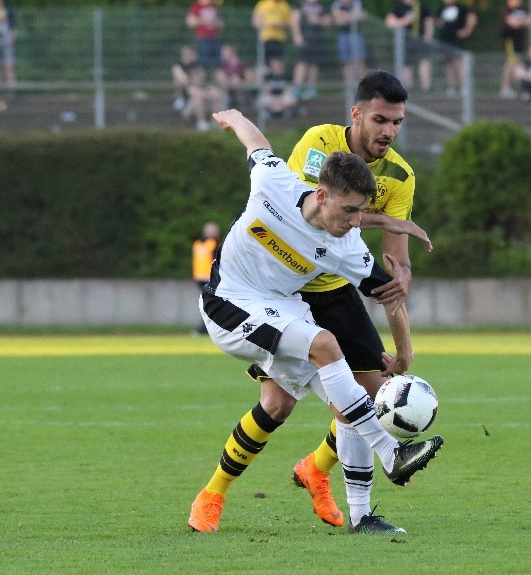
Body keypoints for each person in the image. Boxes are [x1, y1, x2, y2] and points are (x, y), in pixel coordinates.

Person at [187, 108, 444, 534]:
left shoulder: (347, 248)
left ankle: (361, 517)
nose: (355, 223)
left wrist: (405, 351)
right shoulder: (273, 183)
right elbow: (257, 144)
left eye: (362, 212)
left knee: (349, 400)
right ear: (321, 196)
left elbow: (390, 297)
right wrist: (234, 117)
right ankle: (390, 452)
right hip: (228, 303)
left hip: (281, 306)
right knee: (325, 346)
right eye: (349, 212)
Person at [385, 0, 434, 93]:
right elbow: (389, 22)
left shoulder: (421, 6)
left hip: (420, 40)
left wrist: (428, 37)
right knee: (407, 65)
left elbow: (429, 22)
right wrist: (402, 22)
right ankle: (408, 89)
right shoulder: (399, 8)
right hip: (405, 41)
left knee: (424, 62)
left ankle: (426, 89)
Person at [172, 45, 223, 131]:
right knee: (197, 96)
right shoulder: (179, 67)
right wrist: (208, 95)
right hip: (189, 107)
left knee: (216, 93)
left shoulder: (198, 66)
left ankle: (215, 122)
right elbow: (185, 81)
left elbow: (215, 91)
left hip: (206, 101)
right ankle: (201, 122)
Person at [435, 0, 476, 97]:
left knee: (459, 63)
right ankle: (451, 87)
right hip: (445, 40)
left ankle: (464, 86)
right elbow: (436, 19)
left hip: (456, 40)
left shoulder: (461, 8)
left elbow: (472, 17)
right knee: (448, 64)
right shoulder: (441, 9)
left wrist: (467, 30)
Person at [290, 0, 329, 100]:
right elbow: (294, 20)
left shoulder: (321, 6)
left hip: (317, 40)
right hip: (305, 39)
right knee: (302, 63)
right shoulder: (299, 6)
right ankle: (296, 89)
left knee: (314, 64)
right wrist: (296, 35)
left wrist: (318, 20)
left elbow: (328, 21)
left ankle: (311, 89)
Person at [498, 0, 531, 99]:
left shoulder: (523, 9)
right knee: (510, 63)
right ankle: (505, 88)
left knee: (518, 63)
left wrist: (519, 21)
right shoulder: (507, 10)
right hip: (510, 40)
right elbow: (511, 22)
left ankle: (520, 88)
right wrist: (523, 21)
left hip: (520, 40)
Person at [191, 221, 220, 336]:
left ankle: (205, 329)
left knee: (210, 304)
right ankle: (205, 329)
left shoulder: (203, 244)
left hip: (206, 278)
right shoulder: (204, 244)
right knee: (209, 304)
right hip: (204, 278)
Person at [330, 0, 366, 88]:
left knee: (359, 61)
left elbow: (360, 16)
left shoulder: (356, 3)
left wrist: (343, 16)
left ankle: (363, 87)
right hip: (343, 35)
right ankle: (349, 87)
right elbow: (338, 21)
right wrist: (352, 16)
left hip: (356, 35)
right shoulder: (336, 4)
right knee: (346, 62)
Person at [252, 0, 292, 76]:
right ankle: (265, 84)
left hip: (279, 40)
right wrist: (267, 25)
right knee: (263, 65)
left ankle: (278, 82)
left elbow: (290, 23)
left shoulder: (284, 5)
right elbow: (255, 22)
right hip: (264, 39)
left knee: (278, 65)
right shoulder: (263, 4)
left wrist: (279, 25)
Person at [186, 0, 224, 74]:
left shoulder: (213, 6)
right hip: (202, 38)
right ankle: (203, 82)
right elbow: (190, 22)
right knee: (203, 63)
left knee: (219, 63)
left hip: (214, 38)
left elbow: (221, 24)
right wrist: (205, 20)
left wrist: (215, 21)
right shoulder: (196, 6)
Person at [215, 44, 255, 110]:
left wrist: (240, 81)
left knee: (237, 83)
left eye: (224, 51)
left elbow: (251, 79)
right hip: (228, 92)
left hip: (243, 91)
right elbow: (220, 79)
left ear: (232, 52)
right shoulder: (222, 66)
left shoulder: (243, 64)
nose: (222, 54)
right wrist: (230, 80)